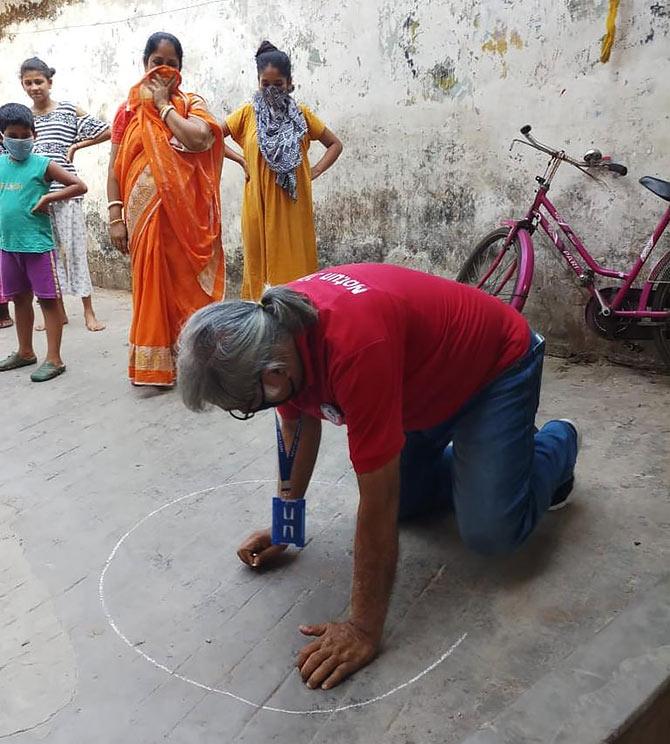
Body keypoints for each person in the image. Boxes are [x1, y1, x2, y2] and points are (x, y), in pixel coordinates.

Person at [177, 263, 580, 690]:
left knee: (490, 531)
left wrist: (363, 628)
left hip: (495, 366)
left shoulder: (351, 347)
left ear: (274, 376)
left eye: (247, 404)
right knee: (407, 503)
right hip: (418, 386)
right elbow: (296, 426)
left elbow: (377, 499)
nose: (251, 410)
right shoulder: (274, 332)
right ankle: (493, 459)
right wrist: (285, 526)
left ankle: (555, 441)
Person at [107, 32, 245, 387]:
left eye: (172, 63)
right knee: (152, 286)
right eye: (157, 62)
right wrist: (115, 216)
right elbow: (114, 167)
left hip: (187, 221)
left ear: (181, 68)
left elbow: (199, 138)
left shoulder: (191, 104)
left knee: (187, 289)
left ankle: (193, 361)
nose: (164, 69)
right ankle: (155, 365)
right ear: (145, 65)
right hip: (143, 219)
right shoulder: (126, 113)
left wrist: (165, 106)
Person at [223, 41, 343, 300]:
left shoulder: (302, 115)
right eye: (265, 84)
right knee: (259, 269)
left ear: (289, 83)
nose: (271, 91)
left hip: (292, 209)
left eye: (278, 85)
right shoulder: (246, 115)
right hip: (257, 207)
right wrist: (242, 160)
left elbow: (335, 145)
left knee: (294, 268)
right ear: (258, 83)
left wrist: (315, 171)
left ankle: (295, 324)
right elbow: (210, 138)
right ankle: (261, 330)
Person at [20, 57, 110, 332]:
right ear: (23, 85)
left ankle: (88, 312)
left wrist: (75, 147)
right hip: (37, 197)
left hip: (68, 193)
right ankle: (56, 312)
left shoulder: (68, 110)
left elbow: (106, 131)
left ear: (49, 81)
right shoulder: (24, 119)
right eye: (28, 83)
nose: (34, 87)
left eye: (39, 81)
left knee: (74, 252)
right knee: (47, 256)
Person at [0, 103, 87, 381]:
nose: (20, 141)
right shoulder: (1, 164)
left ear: (33, 134)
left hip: (38, 247)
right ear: (2, 136)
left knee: (48, 302)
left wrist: (50, 197)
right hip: (8, 245)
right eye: (13, 135)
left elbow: (79, 185)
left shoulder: (43, 164)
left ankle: (55, 358)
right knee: (19, 300)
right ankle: (25, 352)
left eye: (25, 135)